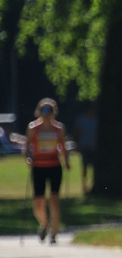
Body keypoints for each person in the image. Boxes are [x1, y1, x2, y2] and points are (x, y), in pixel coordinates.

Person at [25, 98, 71, 244]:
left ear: (53, 112)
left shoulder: (59, 129)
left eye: (49, 111)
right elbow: (26, 148)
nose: (46, 114)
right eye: (43, 110)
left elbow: (63, 147)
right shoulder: (33, 128)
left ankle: (54, 232)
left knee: (54, 199)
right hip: (38, 167)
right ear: (39, 111)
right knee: (38, 202)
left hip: (54, 166)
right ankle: (44, 223)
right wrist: (28, 159)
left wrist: (67, 161)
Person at [74, 103, 98, 194]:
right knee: (84, 168)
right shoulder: (81, 120)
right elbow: (76, 133)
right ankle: (84, 185)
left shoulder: (96, 120)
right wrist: (77, 145)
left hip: (94, 147)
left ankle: (92, 184)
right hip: (84, 147)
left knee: (94, 167)